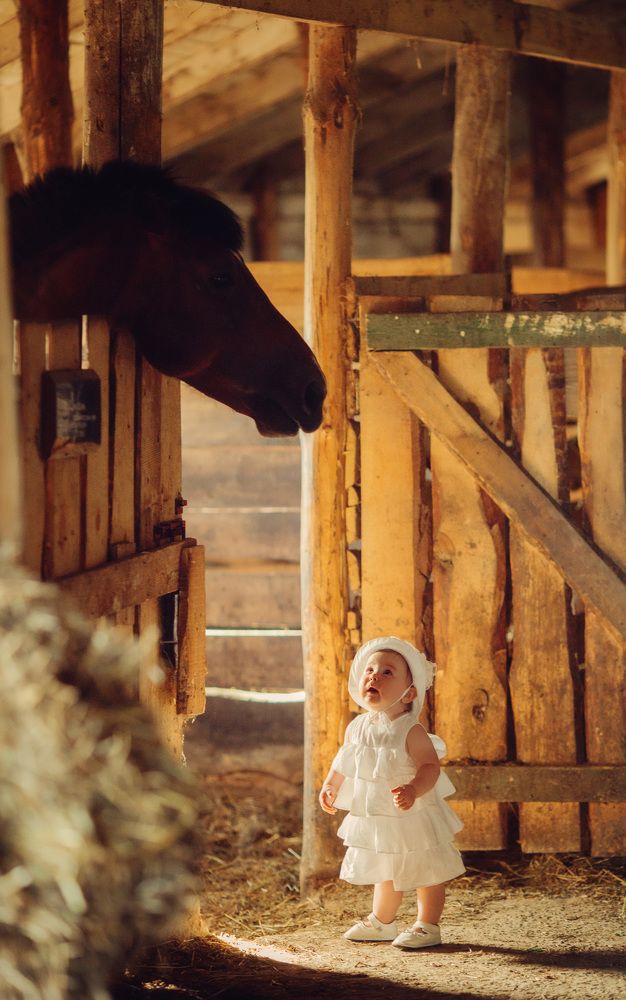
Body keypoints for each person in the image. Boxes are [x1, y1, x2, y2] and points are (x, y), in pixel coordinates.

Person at [319, 636, 465, 949]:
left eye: (387, 672)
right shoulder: (357, 727)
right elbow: (344, 760)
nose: (374, 676)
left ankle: (427, 925)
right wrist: (331, 784)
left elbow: (430, 767)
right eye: (370, 670)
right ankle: (382, 921)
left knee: (426, 867)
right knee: (384, 866)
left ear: (409, 693)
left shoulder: (410, 730)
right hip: (379, 815)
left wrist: (413, 789)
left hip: (412, 813)